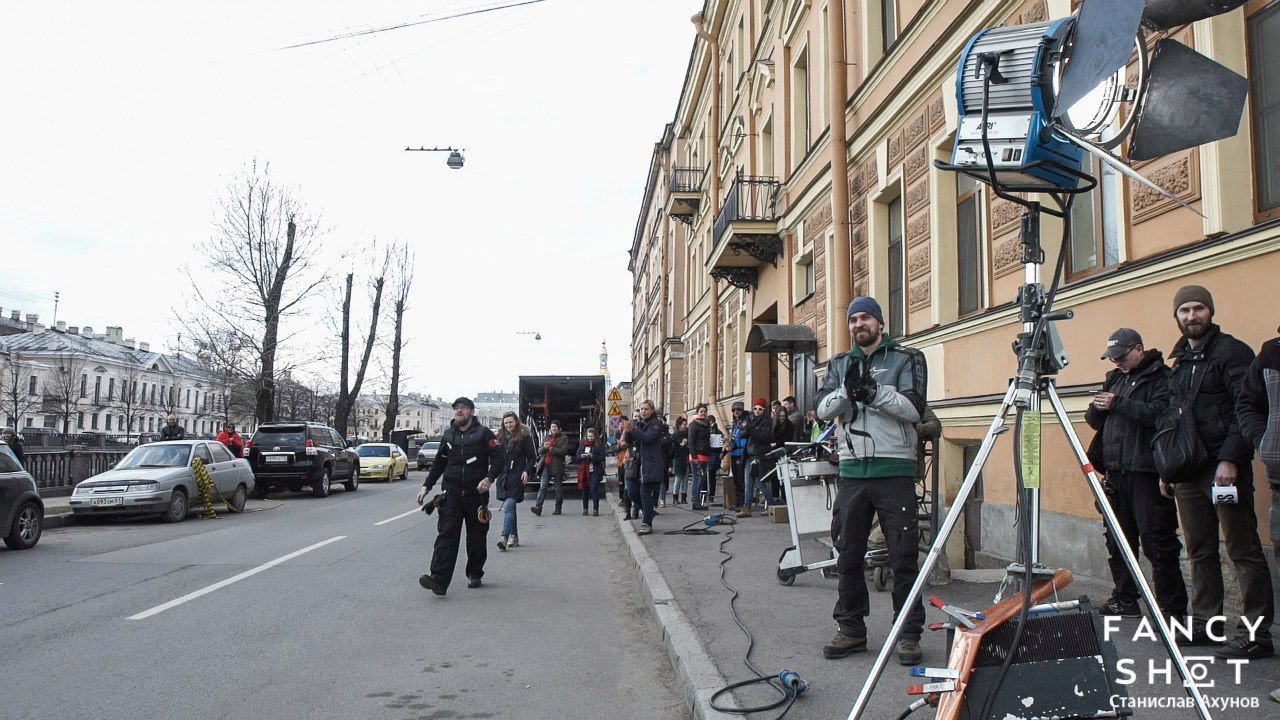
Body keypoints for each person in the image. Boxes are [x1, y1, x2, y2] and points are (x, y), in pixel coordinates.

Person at [816, 296, 928, 665]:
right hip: (851, 471)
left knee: (903, 555)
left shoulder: (907, 358)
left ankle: (907, 634)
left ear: (880, 323)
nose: (858, 324)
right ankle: (851, 629)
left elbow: (913, 407)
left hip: (893, 470)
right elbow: (820, 411)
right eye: (853, 319)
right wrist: (847, 392)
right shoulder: (839, 363)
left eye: (865, 318)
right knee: (847, 553)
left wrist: (875, 393)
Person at [1166, 286, 1273, 658]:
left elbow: (1246, 409)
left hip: (1224, 469)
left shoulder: (1233, 352)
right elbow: (1173, 418)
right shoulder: (1178, 359)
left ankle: (1256, 635)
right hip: (1187, 471)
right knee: (1199, 550)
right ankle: (1206, 625)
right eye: (1184, 310)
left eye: (1198, 308)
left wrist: (1230, 459)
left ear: (1209, 312)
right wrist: (1168, 470)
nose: (1192, 316)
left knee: (1243, 550)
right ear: (1177, 317)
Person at [1084, 328, 1187, 621]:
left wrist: (1118, 403)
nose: (1116, 361)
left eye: (1121, 355)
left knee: (1158, 542)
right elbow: (1093, 422)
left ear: (1139, 349)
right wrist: (1099, 406)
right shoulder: (1115, 378)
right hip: (1115, 471)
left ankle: (1172, 609)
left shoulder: (1161, 377)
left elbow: (1160, 414)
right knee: (1118, 539)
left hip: (1146, 471)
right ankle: (1125, 597)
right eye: (1112, 357)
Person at [416, 397, 503, 595]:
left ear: (471, 411)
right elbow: (439, 463)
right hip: (452, 493)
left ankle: (474, 573)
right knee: (446, 535)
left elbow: (499, 458)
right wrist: (426, 486)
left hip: (476, 495)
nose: (458, 411)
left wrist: (489, 478)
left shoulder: (484, 434)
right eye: (456, 408)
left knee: (476, 537)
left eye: (463, 408)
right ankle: (438, 578)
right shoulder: (448, 435)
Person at [1236, 323, 1280, 702]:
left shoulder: (1230, 352)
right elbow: (1247, 403)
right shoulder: (1271, 353)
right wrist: (1263, 440)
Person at [494, 412, 536, 550]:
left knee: (509, 506)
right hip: (503, 477)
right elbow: (496, 458)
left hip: (517, 476)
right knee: (510, 508)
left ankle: (504, 537)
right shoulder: (501, 438)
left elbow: (531, 457)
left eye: (510, 422)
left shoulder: (524, 437)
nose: (508, 425)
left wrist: (526, 471)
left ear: (516, 422)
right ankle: (514, 536)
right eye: (506, 423)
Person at [625, 400, 667, 535]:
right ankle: (648, 512)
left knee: (645, 494)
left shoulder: (656, 424)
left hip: (649, 464)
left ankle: (646, 523)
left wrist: (633, 430)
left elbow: (647, 438)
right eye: (641, 409)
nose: (643, 411)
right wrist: (627, 431)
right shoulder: (637, 423)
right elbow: (629, 441)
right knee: (631, 492)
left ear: (652, 410)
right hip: (636, 463)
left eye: (646, 409)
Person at [739, 398, 776, 517]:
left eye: (760, 409)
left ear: (764, 410)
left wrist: (750, 428)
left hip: (759, 456)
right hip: (749, 456)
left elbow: (763, 437)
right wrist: (747, 427)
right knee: (748, 483)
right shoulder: (751, 420)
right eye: (755, 408)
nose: (757, 411)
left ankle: (771, 505)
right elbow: (742, 434)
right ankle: (746, 508)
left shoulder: (766, 422)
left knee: (760, 482)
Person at [531, 420, 569, 516]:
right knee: (543, 487)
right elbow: (539, 451)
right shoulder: (547, 437)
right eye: (552, 427)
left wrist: (551, 448)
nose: (553, 428)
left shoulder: (563, 438)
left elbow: (563, 451)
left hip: (557, 466)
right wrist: (544, 447)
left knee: (558, 488)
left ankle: (558, 507)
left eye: (555, 427)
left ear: (559, 428)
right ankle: (538, 507)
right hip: (546, 466)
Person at [686, 403, 712, 511]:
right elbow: (691, 442)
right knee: (696, 479)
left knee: (701, 479)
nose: (703, 413)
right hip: (697, 457)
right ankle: (695, 501)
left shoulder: (706, 424)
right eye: (701, 411)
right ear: (697, 413)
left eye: (705, 411)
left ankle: (698, 501)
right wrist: (694, 456)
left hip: (705, 456)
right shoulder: (694, 425)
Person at [576, 427, 607, 516]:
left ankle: (595, 509)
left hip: (595, 470)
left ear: (595, 437)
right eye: (589, 436)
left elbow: (602, 458)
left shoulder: (599, 446)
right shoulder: (582, 445)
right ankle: (585, 509)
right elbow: (576, 458)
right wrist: (581, 456)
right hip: (584, 471)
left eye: (592, 436)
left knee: (594, 490)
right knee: (585, 491)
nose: (590, 438)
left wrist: (592, 456)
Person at [727, 401, 748, 511]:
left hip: (741, 453)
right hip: (734, 453)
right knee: (736, 480)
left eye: (738, 410)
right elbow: (734, 439)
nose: (736, 412)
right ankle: (737, 502)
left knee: (741, 480)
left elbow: (743, 438)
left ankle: (742, 503)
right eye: (734, 410)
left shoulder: (745, 422)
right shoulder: (735, 423)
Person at [670, 417, 689, 504]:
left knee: (685, 478)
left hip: (686, 458)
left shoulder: (687, 434)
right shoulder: (675, 435)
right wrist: (681, 445)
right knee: (678, 478)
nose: (685, 426)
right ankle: (675, 498)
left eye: (686, 424)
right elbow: (673, 449)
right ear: (679, 425)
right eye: (684, 424)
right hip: (678, 459)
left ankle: (684, 498)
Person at [707, 415, 725, 504]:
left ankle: (709, 496)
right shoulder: (719, 432)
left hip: (712, 456)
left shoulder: (715, 432)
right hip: (714, 457)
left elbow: (718, 446)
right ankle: (710, 496)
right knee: (711, 477)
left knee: (710, 477)